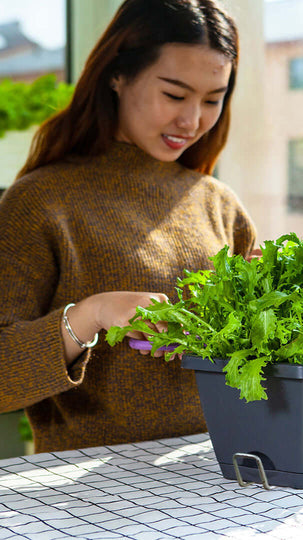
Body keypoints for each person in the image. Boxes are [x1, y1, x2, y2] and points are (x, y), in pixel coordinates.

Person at [0, 0, 256, 453]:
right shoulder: (39, 203)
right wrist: (91, 314)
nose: (192, 120)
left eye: (212, 100)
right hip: (88, 499)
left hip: (222, 477)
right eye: (175, 95)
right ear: (117, 76)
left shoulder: (221, 206)